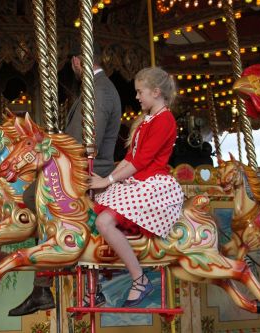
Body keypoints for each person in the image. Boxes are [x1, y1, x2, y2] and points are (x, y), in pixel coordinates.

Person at [8, 41, 122, 316]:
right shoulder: (96, 89)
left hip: (90, 169)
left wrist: (52, 153)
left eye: (72, 62)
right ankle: (43, 284)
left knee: (33, 196)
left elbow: (87, 140)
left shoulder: (100, 91)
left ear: (77, 61)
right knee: (34, 195)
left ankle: (59, 266)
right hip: (79, 165)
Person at [89, 67, 184, 307]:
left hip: (152, 185)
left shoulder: (165, 120)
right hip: (137, 181)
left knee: (103, 222)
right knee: (93, 213)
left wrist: (108, 181)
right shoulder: (146, 121)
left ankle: (139, 279)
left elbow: (142, 161)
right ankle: (97, 282)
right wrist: (107, 179)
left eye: (140, 92)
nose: (137, 97)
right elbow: (130, 158)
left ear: (156, 92)